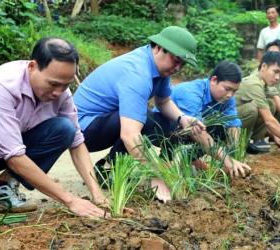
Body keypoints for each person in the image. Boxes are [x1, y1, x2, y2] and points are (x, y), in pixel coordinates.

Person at [73, 26, 205, 203]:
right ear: (159, 47)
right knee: (144, 119)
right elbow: (130, 135)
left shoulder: (159, 68)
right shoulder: (137, 74)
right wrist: (156, 177)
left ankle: (107, 168)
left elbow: (163, 101)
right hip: (82, 131)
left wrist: (182, 118)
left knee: (156, 121)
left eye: (183, 64)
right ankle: (110, 167)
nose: (178, 68)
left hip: (105, 121)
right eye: (176, 60)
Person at [0, 38, 107, 217]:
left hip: (0, 150)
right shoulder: (0, 86)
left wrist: (97, 195)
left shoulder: (61, 93)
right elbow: (14, 156)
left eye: (66, 85)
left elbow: (77, 144)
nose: (58, 92)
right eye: (53, 84)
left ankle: (0, 188)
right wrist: (70, 200)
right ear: (32, 67)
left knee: (64, 129)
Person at [154, 60, 251, 177]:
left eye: (234, 91)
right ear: (214, 80)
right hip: (162, 130)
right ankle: (167, 161)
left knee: (219, 130)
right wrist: (227, 160)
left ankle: (188, 158)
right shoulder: (191, 92)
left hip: (189, 131)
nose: (230, 95)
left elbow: (233, 126)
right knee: (193, 130)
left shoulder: (227, 99)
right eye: (227, 89)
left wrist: (235, 155)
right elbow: (196, 131)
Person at [235, 52, 280, 154]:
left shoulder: (263, 83)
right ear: (263, 66)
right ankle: (236, 145)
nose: (277, 77)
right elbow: (269, 121)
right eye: (275, 71)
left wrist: (275, 136)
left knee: (270, 104)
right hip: (226, 124)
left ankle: (247, 142)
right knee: (251, 109)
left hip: (236, 120)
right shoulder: (254, 84)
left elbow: (273, 105)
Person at [257, 5, 280, 70]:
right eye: (268, 13)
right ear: (266, 16)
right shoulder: (263, 31)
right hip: (268, 63)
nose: (270, 15)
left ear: (277, 14)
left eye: (273, 12)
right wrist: (260, 66)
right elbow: (260, 50)